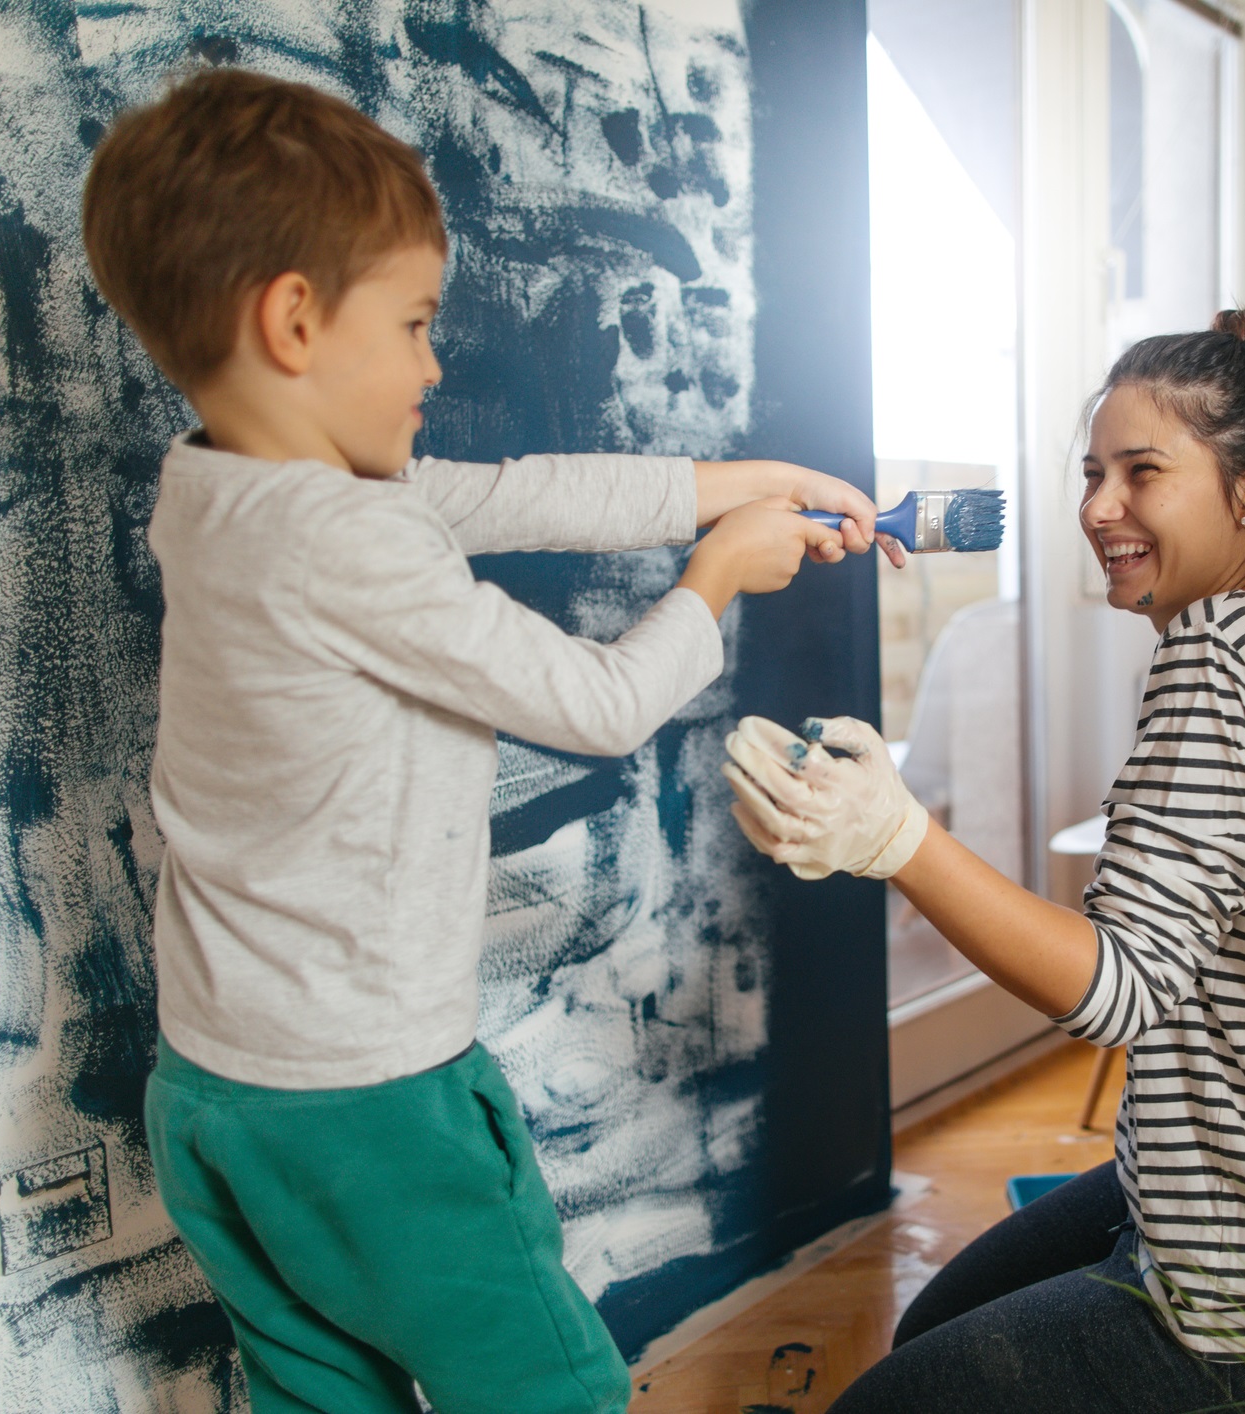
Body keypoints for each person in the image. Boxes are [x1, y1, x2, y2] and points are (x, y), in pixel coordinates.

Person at [81, 67, 883, 1414]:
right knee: (547, 1383)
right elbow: (602, 705)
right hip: (370, 1106)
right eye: (411, 323)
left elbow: (520, 495)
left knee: (317, 1390)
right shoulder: (351, 541)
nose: (434, 361)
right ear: (292, 320)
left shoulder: (220, 493)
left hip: (217, 1093)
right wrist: (722, 575)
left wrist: (739, 484)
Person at [724, 305, 1245, 1412]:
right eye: (1091, 471)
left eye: (1140, 472)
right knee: (929, 1326)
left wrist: (895, 839)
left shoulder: (1214, 663)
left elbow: (1117, 991)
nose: (1096, 507)